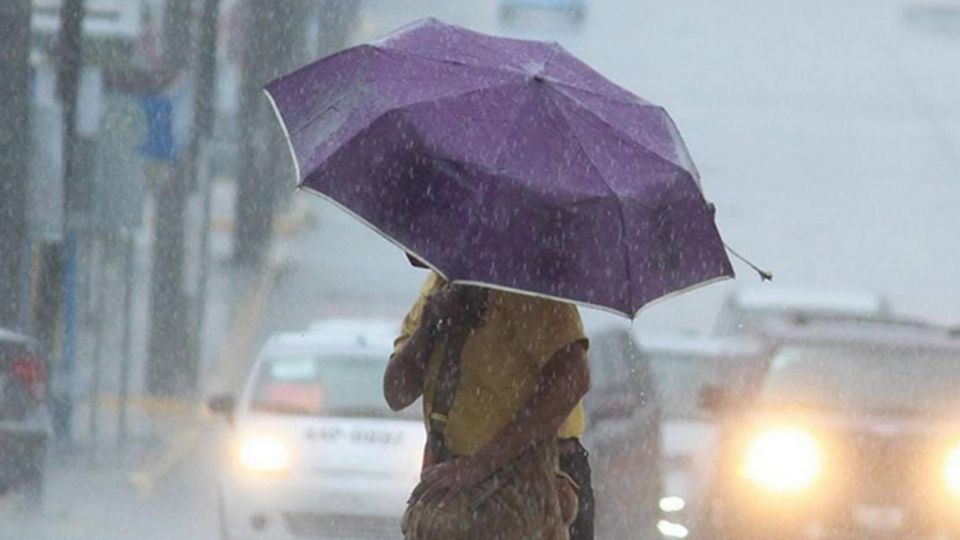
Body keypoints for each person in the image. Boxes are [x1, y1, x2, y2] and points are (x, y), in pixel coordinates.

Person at [385, 272, 591, 539]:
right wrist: (430, 326)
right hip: (461, 490)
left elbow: (572, 379)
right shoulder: (438, 287)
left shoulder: (523, 286)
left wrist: (482, 464)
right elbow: (397, 392)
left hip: (529, 483)